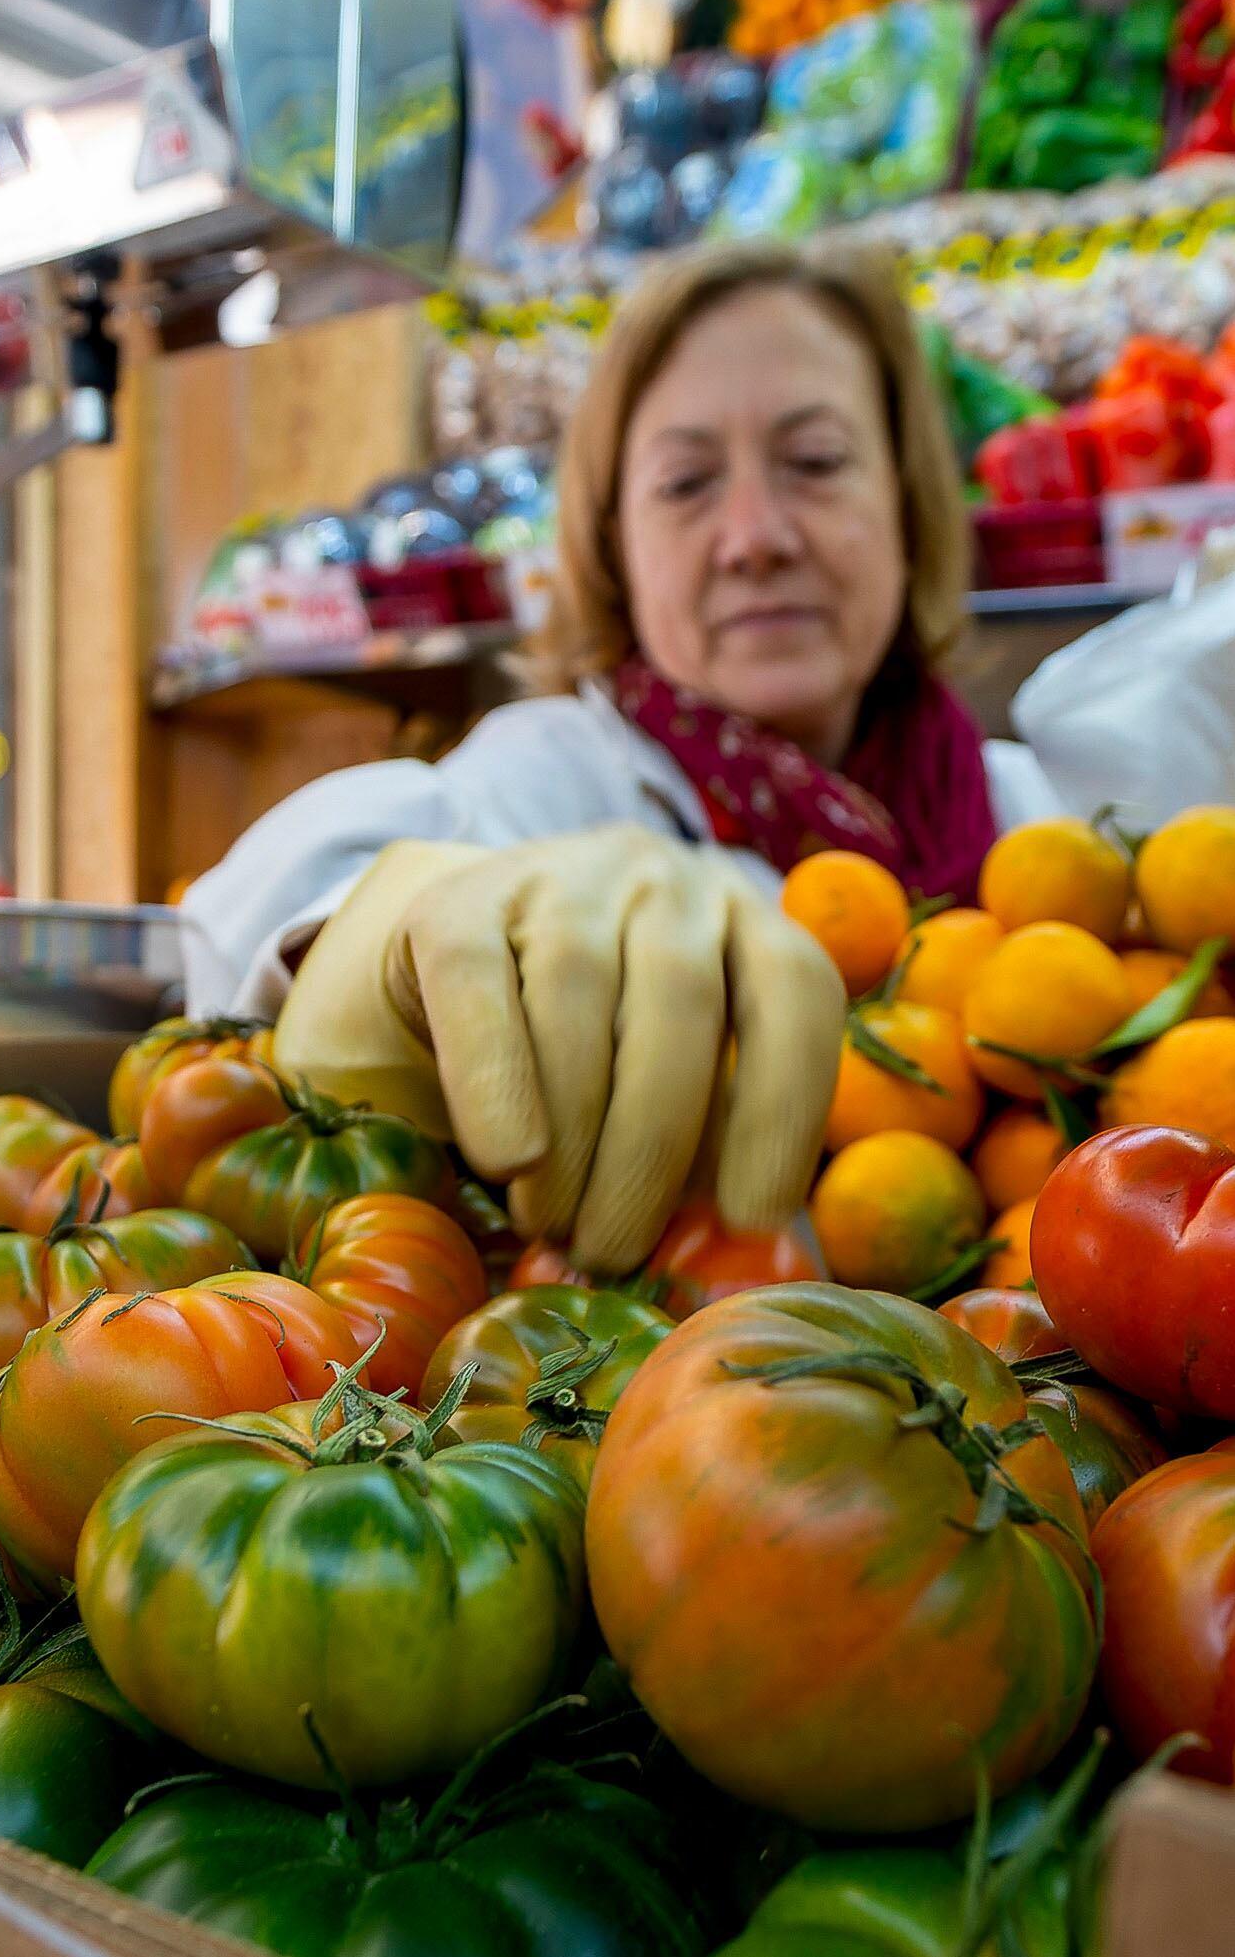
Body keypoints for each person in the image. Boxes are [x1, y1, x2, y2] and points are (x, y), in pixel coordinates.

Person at [182, 242, 1063, 1275]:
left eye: (817, 463)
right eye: (686, 483)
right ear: (613, 547)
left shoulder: (1021, 812)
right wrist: (394, 928)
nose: (754, 536)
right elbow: (247, 938)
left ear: (910, 508)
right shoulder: (549, 782)